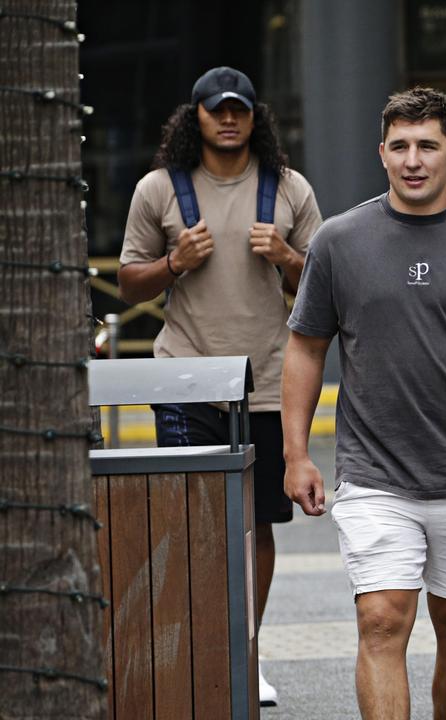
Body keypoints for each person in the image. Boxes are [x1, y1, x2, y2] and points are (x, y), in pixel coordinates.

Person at [281, 86, 446, 720]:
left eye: (427, 146)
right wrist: (296, 454)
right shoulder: (339, 241)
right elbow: (304, 349)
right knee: (381, 619)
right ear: (382, 153)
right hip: (375, 475)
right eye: (399, 146)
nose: (413, 159)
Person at [117, 65, 322, 708]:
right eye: (216, 109)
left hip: (265, 379)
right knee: (186, 518)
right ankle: (199, 649)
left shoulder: (289, 189)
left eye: (239, 109)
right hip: (183, 374)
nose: (228, 118)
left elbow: (325, 290)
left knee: (255, 523)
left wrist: (289, 257)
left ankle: (247, 650)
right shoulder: (159, 189)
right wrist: (173, 263)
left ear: (255, 116)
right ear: (196, 116)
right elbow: (127, 283)